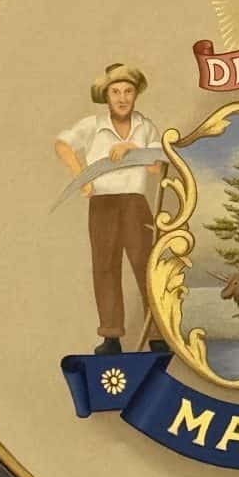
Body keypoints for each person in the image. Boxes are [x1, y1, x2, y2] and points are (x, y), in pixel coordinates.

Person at [55, 63, 163, 355]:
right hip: (103, 205)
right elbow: (62, 144)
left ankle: (158, 335)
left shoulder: (145, 126)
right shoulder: (92, 125)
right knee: (105, 267)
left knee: (147, 267)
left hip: (134, 203)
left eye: (128, 91)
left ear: (136, 95)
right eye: (115, 91)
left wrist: (131, 149)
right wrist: (81, 177)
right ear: (106, 95)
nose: (122, 97)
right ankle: (111, 336)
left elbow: (156, 166)